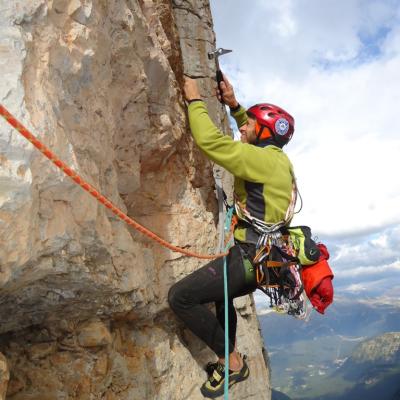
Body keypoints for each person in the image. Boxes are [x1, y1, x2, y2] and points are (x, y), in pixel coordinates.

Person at [168, 75, 296, 398]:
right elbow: (250, 136)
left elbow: (212, 143)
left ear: (263, 133)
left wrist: (195, 101)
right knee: (221, 296)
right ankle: (232, 357)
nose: (244, 129)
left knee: (180, 297)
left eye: (250, 125)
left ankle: (233, 363)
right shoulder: (278, 161)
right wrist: (235, 106)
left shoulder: (263, 161)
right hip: (261, 262)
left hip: (247, 259)